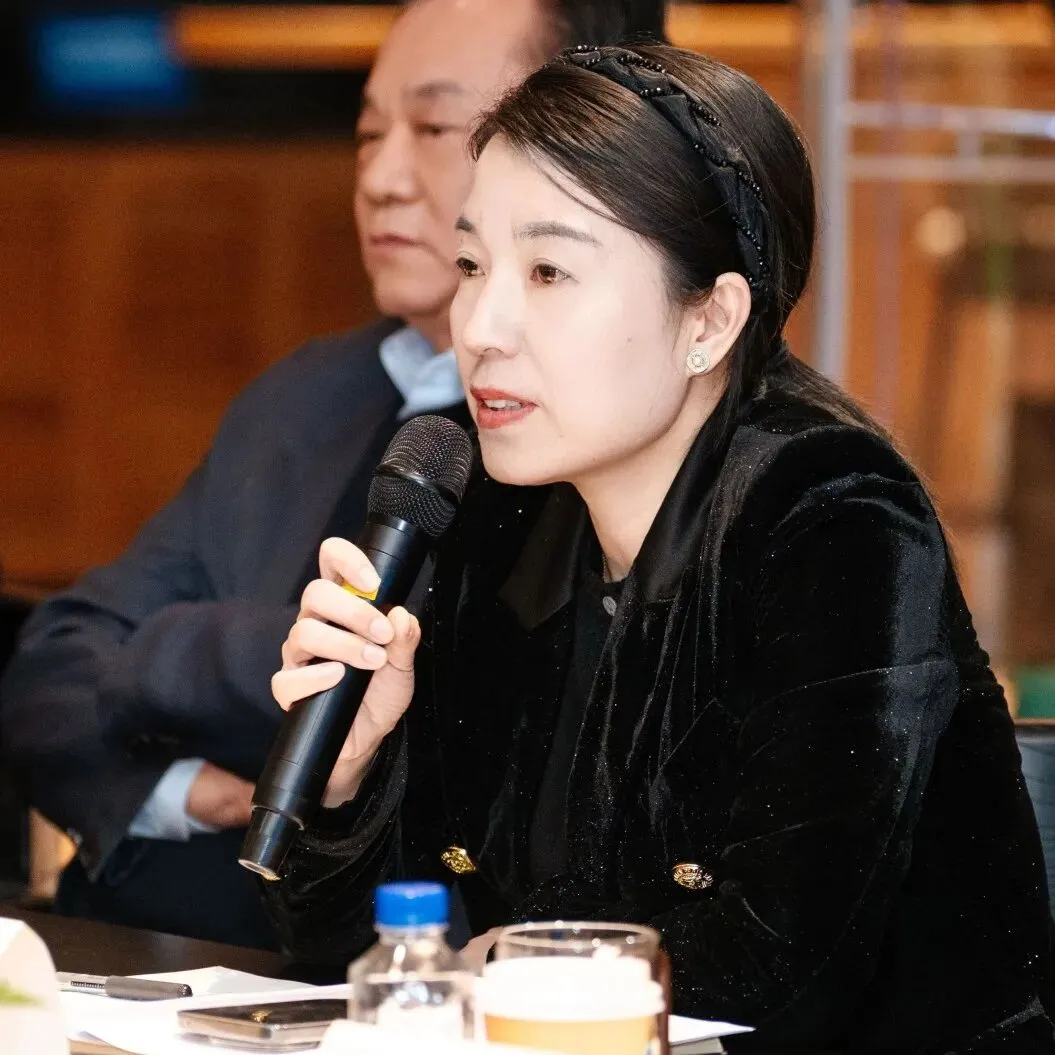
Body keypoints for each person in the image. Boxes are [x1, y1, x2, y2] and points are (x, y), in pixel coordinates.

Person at [264, 44, 1055, 1052]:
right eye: (470, 266)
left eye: (548, 271)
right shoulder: (499, 517)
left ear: (709, 319)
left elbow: (781, 965)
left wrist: (508, 966)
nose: (480, 325)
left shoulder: (832, 514)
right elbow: (354, 961)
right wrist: (349, 775)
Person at [0, 0, 669, 949]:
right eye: (364, 133)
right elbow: (51, 670)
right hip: (126, 961)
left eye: (434, 128)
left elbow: (433, 712)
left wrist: (172, 651)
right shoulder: (308, 391)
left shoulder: (575, 438)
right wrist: (191, 788)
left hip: (366, 975)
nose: (381, 178)